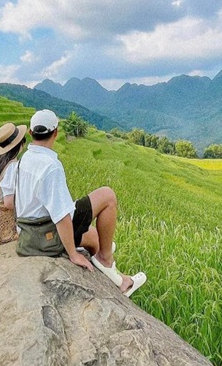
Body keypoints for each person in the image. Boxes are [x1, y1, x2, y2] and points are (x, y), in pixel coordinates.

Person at [15, 109, 146, 297]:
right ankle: (106, 260)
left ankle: (121, 281)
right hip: (48, 234)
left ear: (30, 133)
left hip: (30, 234)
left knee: (95, 237)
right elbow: (61, 216)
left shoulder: (24, 159)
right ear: (56, 133)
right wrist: (73, 254)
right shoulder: (50, 166)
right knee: (108, 195)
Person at [0, 122, 27, 211]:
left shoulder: (1, 163)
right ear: (20, 144)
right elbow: (9, 203)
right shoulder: (11, 167)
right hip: (7, 219)